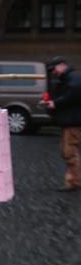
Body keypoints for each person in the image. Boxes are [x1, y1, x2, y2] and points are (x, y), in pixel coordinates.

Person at [45, 56, 81, 192]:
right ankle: (74, 180)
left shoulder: (73, 78)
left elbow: (75, 92)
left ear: (62, 65)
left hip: (73, 122)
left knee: (69, 151)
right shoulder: (72, 77)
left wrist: (56, 102)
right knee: (68, 150)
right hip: (71, 121)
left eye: (54, 69)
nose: (54, 72)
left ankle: (73, 181)